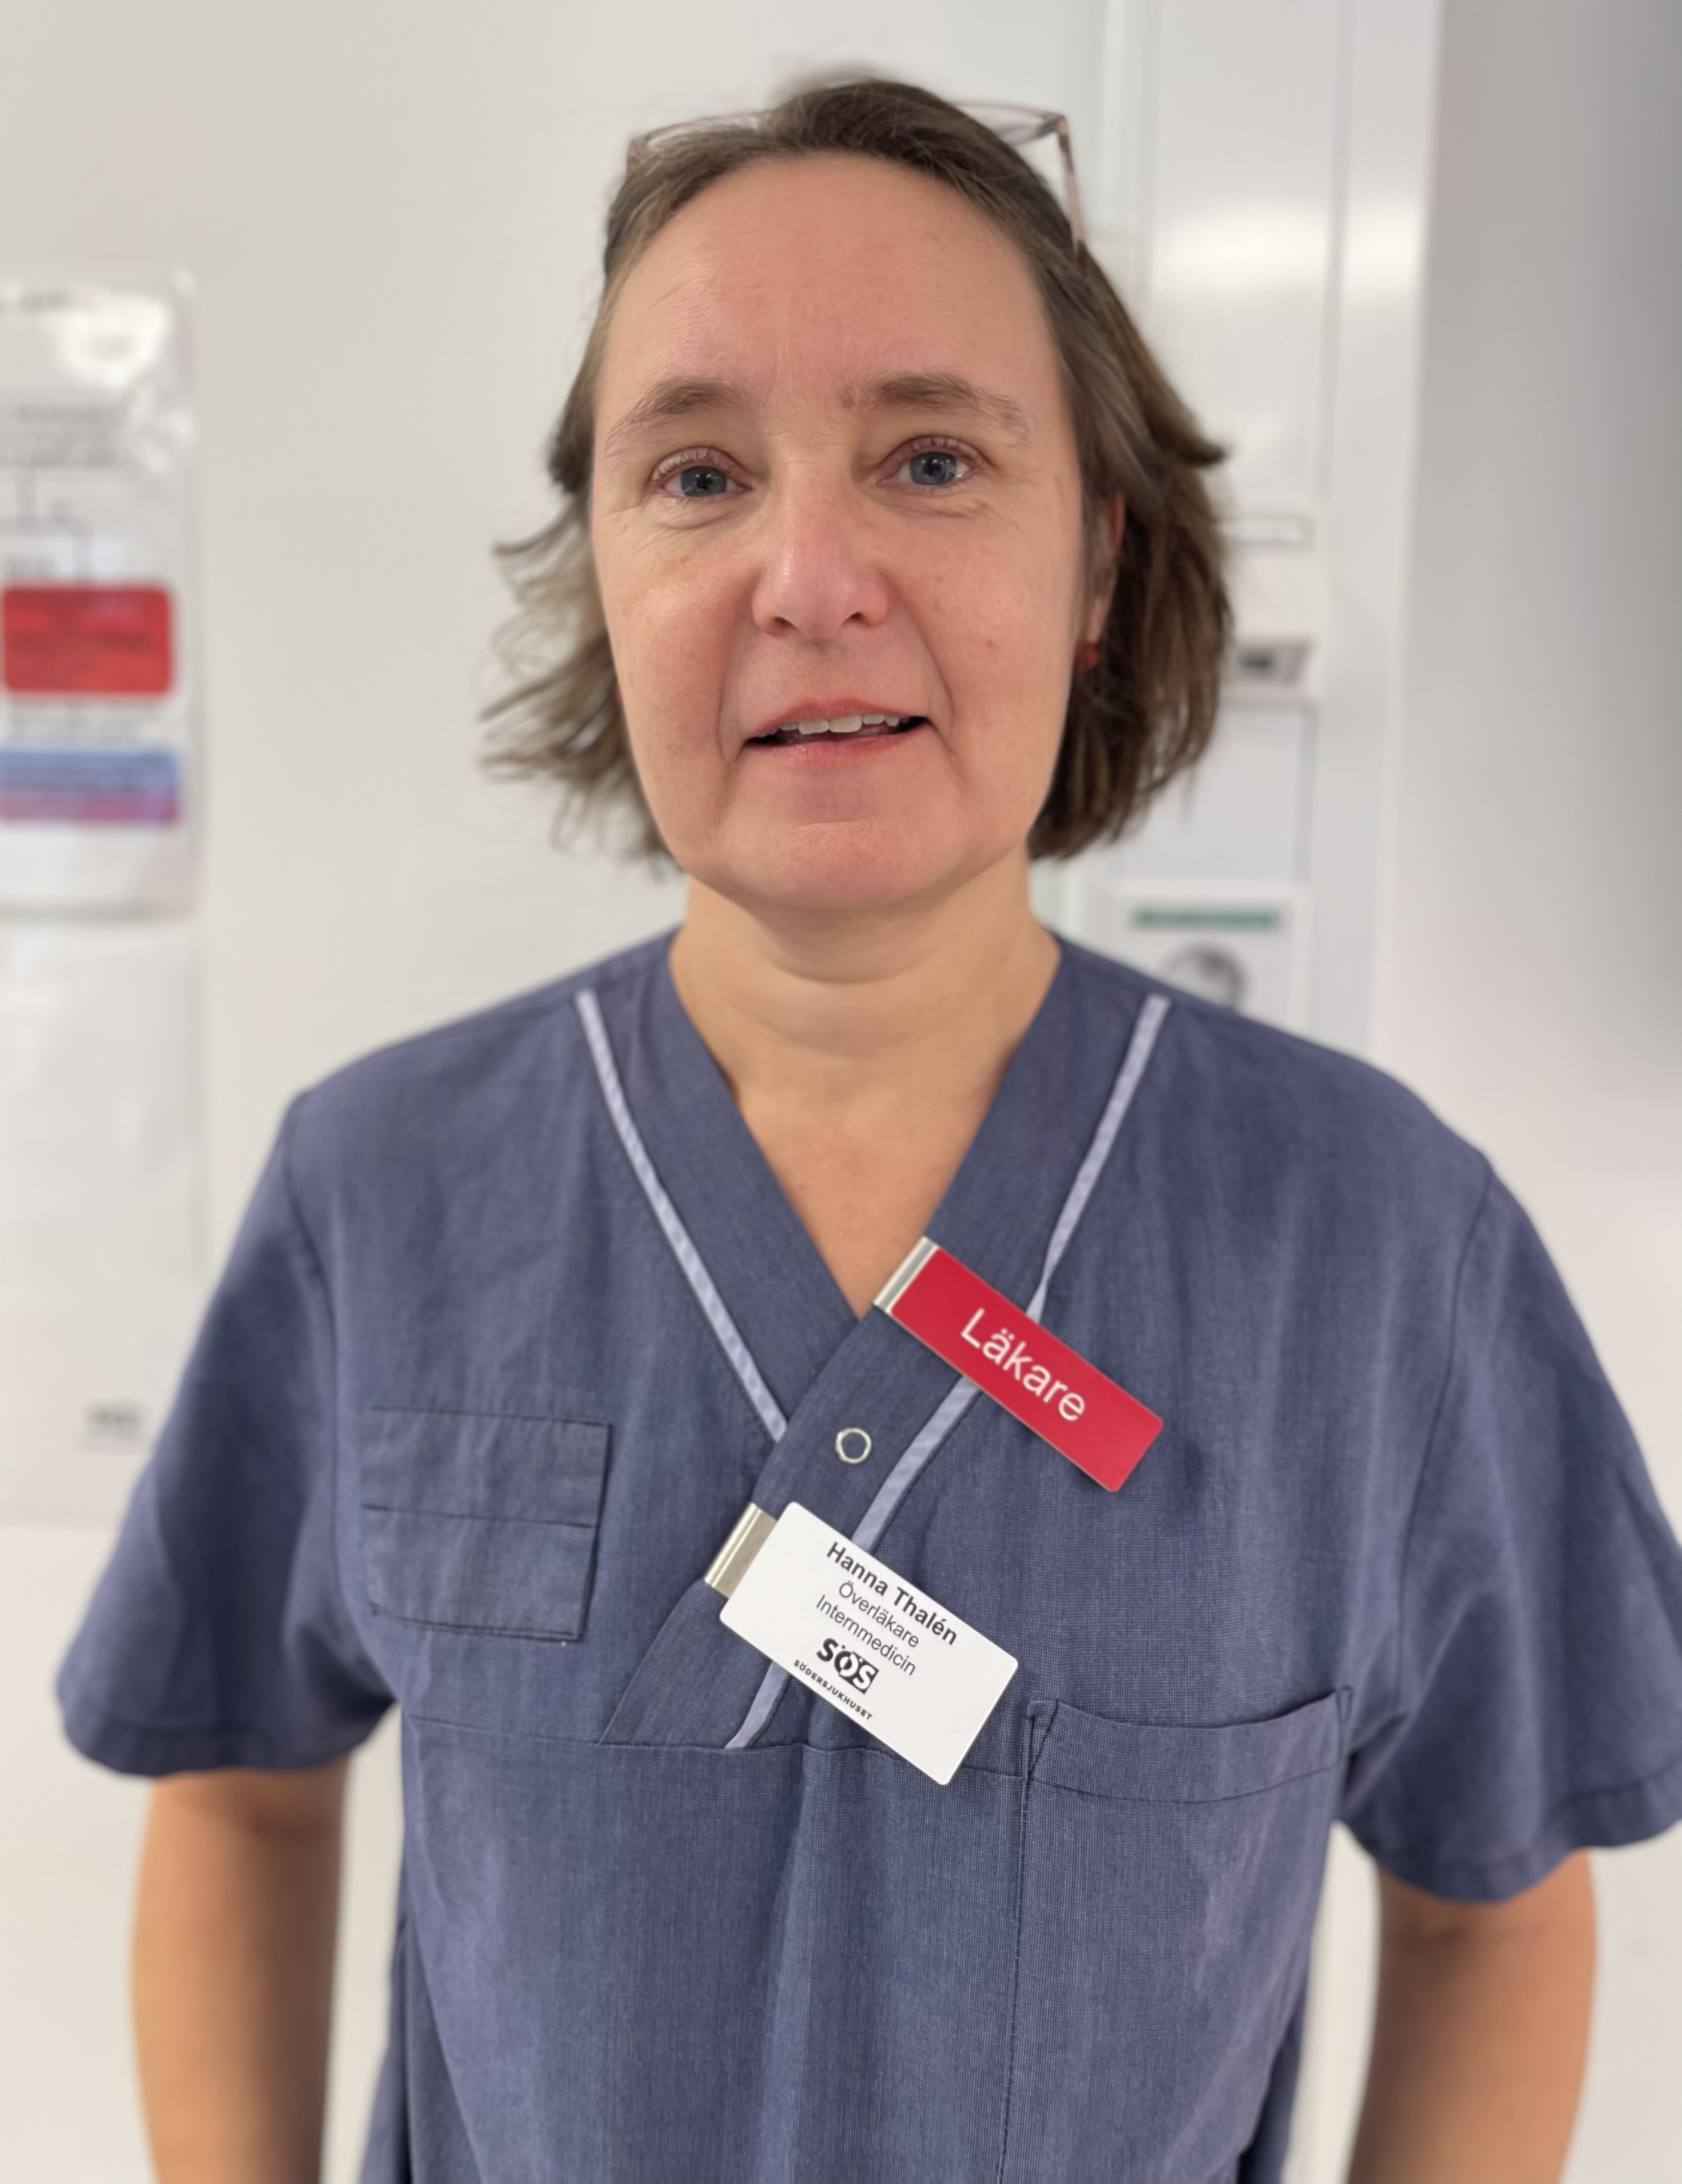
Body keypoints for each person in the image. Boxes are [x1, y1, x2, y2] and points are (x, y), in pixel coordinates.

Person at [59, 77, 1682, 2184]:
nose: (808, 576)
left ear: (1095, 556)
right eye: (698, 473)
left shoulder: (1378, 1252)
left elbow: (1491, 1900)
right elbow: (240, 1785)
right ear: (605, 570)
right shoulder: (379, 1193)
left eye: (931, 459)